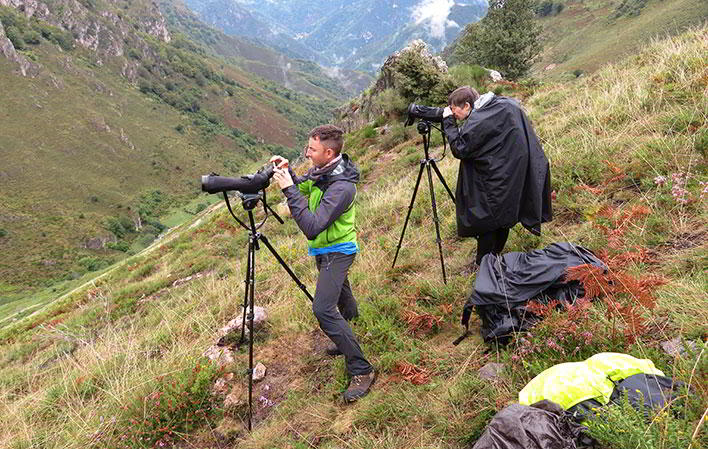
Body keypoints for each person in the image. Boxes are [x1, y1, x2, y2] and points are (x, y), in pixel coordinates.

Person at [270, 124, 375, 403]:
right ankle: (347, 333)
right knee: (342, 295)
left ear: (328, 153)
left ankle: (362, 369)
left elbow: (312, 226)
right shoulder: (324, 171)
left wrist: (289, 189)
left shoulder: (341, 187)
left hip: (337, 251)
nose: (307, 153)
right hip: (326, 249)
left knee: (323, 309)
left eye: (312, 149)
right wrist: (289, 172)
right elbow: (304, 184)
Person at [441, 86, 552, 265]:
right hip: (512, 171)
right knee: (503, 216)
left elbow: (460, 149)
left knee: (489, 220)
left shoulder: (479, 119)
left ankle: (484, 264)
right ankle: (493, 258)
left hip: (495, 176)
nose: (453, 114)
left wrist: (448, 123)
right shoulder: (502, 104)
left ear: (467, 105)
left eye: (454, 110)